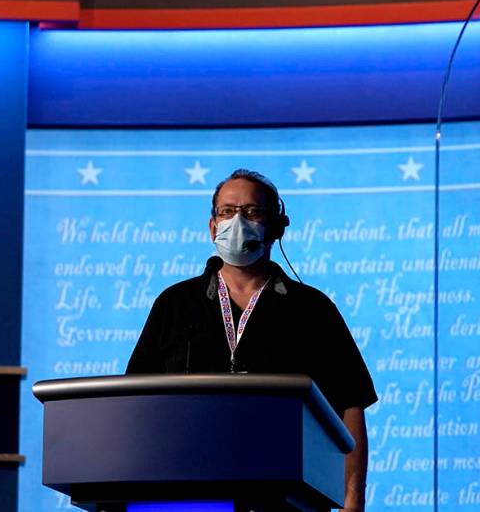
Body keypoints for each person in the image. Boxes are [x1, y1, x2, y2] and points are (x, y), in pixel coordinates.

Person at [127, 169, 377, 511]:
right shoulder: (174, 303)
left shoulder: (313, 309)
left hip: (288, 497)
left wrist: (353, 503)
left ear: (276, 227)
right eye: (227, 212)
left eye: (252, 212)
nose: (237, 221)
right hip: (187, 495)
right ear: (212, 227)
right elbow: (133, 404)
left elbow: (351, 406)